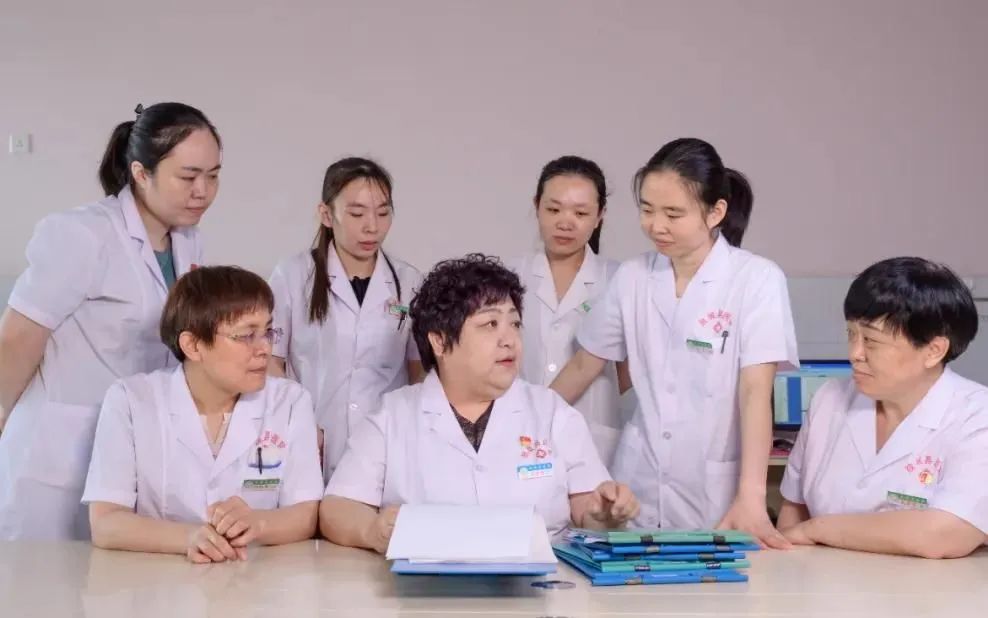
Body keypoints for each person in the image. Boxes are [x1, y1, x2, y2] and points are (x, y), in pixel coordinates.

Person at [551, 138, 798, 547]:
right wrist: (525, 420)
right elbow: (583, 366)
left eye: (673, 214)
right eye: (647, 210)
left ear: (716, 212)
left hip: (715, 489)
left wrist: (752, 497)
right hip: (637, 482)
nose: (656, 226)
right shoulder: (633, 277)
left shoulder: (756, 279)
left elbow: (756, 392)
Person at [0, 102, 221, 539]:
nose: (203, 191)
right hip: (63, 450)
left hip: (136, 449)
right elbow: (18, 339)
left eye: (213, 176)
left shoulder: (188, 242)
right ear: (141, 173)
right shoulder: (81, 234)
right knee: (44, 575)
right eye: (188, 177)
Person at [319, 254, 639, 552]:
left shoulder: (553, 413)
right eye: (490, 324)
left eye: (515, 323)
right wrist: (372, 530)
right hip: (427, 588)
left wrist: (604, 514)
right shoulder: (393, 416)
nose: (509, 340)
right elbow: (336, 508)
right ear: (440, 341)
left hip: (539, 586)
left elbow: (587, 509)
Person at [83, 266, 323, 562]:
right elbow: (106, 523)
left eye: (268, 332)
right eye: (247, 335)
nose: (264, 349)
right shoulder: (131, 401)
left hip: (257, 575)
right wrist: (189, 537)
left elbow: (305, 514)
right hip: (158, 578)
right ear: (193, 345)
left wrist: (258, 523)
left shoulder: (290, 402)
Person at [778, 257, 987, 558]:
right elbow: (793, 512)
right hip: (823, 584)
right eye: (851, 334)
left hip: (927, 589)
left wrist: (818, 529)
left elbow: (945, 533)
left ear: (933, 350)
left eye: (871, 341)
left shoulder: (976, 416)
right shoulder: (829, 399)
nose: (855, 353)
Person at [268, 157, 423, 479]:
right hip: (311, 440)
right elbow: (271, 361)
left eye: (383, 213)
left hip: (387, 442)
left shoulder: (408, 281)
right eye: (356, 214)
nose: (372, 227)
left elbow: (418, 371)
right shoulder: (293, 276)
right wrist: (297, 423)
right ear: (327, 215)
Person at [509, 156, 629, 465]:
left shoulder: (619, 279)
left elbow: (628, 373)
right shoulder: (508, 276)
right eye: (553, 210)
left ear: (600, 215)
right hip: (519, 434)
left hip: (594, 437)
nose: (565, 223)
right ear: (536, 206)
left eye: (581, 213)